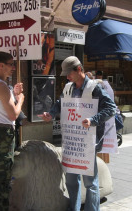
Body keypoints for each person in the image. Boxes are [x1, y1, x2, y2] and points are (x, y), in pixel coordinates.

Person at [39, 56, 116, 211]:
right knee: (71, 180)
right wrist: (51, 114)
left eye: (69, 73)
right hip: (71, 139)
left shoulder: (94, 88)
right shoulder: (68, 87)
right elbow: (61, 103)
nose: (67, 77)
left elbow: (111, 108)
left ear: (79, 69)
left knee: (90, 182)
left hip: (88, 141)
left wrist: (93, 120)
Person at [0, 51, 24, 211]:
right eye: (10, 64)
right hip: (3, 132)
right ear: (0, 66)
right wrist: (20, 100)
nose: (13, 67)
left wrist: (13, 93)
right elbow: (13, 114)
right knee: (3, 179)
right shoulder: (0, 85)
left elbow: (2, 105)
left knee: (3, 176)